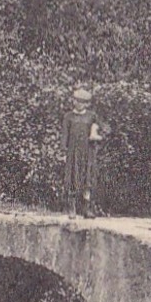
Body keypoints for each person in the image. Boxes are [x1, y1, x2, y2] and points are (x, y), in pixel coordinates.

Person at [62, 86, 105, 217]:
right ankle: (72, 209)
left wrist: (96, 133)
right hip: (73, 152)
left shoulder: (92, 116)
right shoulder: (68, 116)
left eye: (81, 101)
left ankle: (87, 209)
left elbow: (102, 130)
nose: (77, 103)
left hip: (88, 152)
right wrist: (64, 151)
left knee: (87, 179)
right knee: (73, 178)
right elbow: (65, 135)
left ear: (86, 103)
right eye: (76, 100)